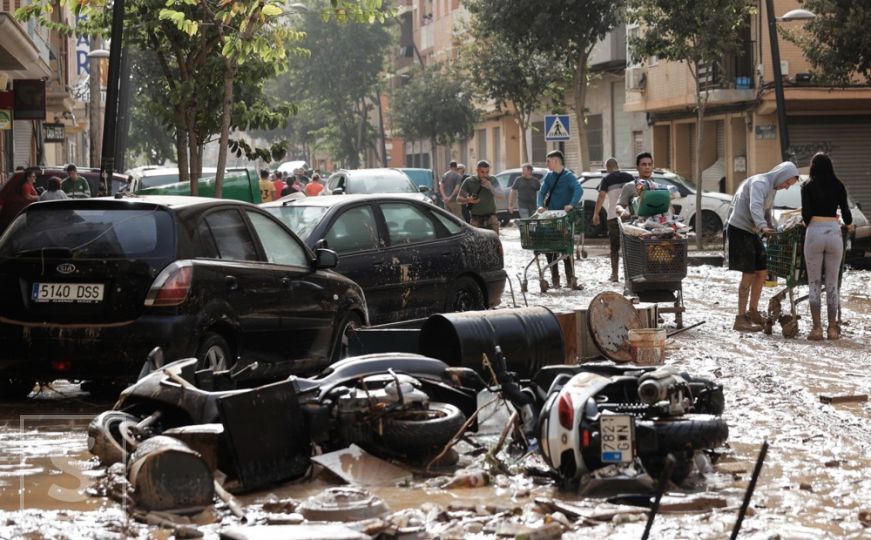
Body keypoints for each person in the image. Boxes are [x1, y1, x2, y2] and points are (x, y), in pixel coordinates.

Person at [726, 161, 800, 332]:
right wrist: (762, 226)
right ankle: (740, 318)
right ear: (782, 174)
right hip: (739, 229)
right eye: (787, 183)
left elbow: (766, 212)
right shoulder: (760, 183)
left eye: (789, 185)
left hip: (753, 231)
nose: (786, 187)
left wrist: (771, 227)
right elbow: (755, 206)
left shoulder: (772, 188)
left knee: (762, 271)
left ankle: (753, 311)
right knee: (749, 272)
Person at [801, 153, 853, 341]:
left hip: (814, 232)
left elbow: (806, 215)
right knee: (832, 284)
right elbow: (847, 216)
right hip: (833, 233)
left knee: (814, 283)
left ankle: (817, 329)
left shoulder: (807, 185)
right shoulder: (838, 185)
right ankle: (832, 328)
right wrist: (846, 223)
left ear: (813, 166)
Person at [536, 150, 582, 290]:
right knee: (550, 248)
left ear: (556, 161)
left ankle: (570, 279)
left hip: (565, 218)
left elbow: (578, 190)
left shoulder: (569, 176)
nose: (546, 163)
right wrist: (540, 206)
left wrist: (571, 204)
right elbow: (542, 192)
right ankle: (555, 280)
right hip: (551, 217)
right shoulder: (550, 176)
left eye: (548, 161)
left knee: (566, 248)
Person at [593, 157, 635, 282]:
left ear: (607, 168)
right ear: (617, 165)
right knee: (630, 246)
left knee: (614, 247)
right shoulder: (629, 177)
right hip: (629, 216)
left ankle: (614, 275)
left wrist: (596, 213)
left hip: (613, 216)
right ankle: (631, 274)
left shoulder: (606, 179)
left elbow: (601, 196)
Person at [457, 160, 503, 233]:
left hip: (491, 218)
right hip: (476, 219)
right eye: (482, 172)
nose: (485, 175)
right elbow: (458, 199)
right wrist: (468, 200)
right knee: (477, 243)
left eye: (487, 172)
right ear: (477, 170)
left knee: (494, 242)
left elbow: (501, 196)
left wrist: (490, 187)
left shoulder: (492, 179)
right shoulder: (469, 181)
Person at [0, 167, 39, 232]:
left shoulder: (30, 185)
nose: (35, 178)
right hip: (26, 211)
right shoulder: (26, 186)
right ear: (28, 178)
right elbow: (27, 197)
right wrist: (39, 197)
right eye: (33, 176)